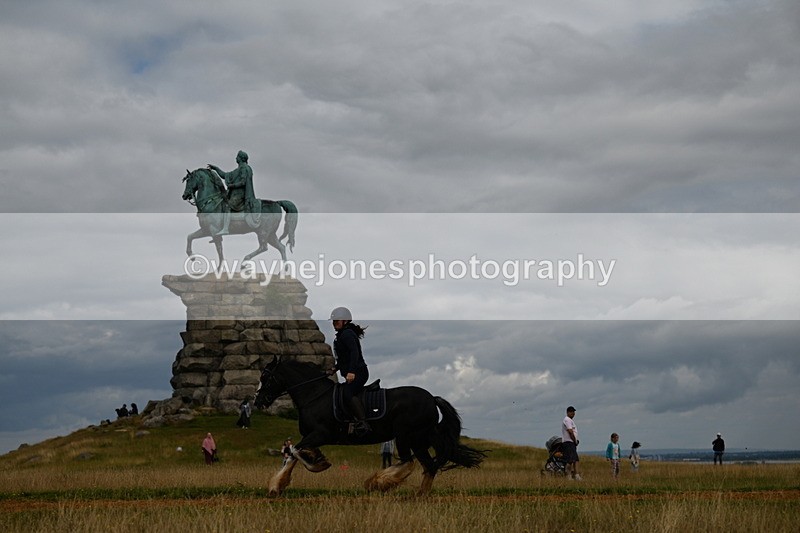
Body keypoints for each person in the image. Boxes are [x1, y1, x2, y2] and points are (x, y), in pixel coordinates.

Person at [329, 306, 370, 436]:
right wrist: (335, 368)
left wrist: (352, 371)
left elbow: (354, 353)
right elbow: (344, 358)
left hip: (359, 372)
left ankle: (363, 423)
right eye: (333, 321)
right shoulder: (341, 335)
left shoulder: (347, 334)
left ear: (345, 321)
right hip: (352, 372)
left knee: (347, 393)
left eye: (337, 321)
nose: (334, 323)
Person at [207, 150, 260, 234]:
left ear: (241, 158)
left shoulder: (244, 168)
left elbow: (243, 182)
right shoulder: (239, 169)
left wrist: (232, 186)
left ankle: (225, 228)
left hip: (241, 195)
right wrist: (215, 168)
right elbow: (225, 175)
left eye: (237, 157)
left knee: (226, 205)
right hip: (236, 194)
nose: (236, 158)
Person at [561, 406, 581, 480]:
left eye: (573, 412)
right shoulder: (567, 420)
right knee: (570, 460)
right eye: (571, 412)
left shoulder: (570, 420)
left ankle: (576, 475)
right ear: (568, 412)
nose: (573, 413)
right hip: (569, 442)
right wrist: (574, 440)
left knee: (575, 459)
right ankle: (568, 475)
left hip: (571, 443)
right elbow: (570, 431)